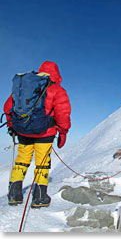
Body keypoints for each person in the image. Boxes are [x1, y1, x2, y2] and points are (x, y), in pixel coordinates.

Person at [3, 61, 71, 208]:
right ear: (57, 73)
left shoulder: (26, 87)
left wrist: (11, 126)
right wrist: (63, 133)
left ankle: (14, 194)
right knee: (42, 163)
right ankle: (40, 197)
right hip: (45, 133)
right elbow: (63, 114)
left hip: (23, 131)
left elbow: (8, 107)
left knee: (22, 159)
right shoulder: (57, 90)